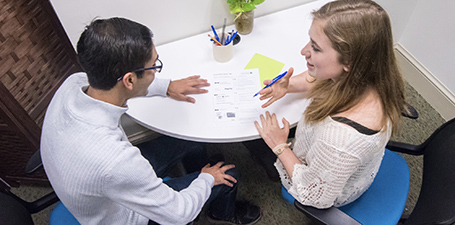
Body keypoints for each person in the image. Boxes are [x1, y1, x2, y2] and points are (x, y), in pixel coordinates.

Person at [41, 17, 261, 224]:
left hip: (97, 182)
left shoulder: (74, 83)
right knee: (229, 174)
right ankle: (220, 211)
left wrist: (166, 86)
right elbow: (178, 214)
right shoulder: (116, 161)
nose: (156, 70)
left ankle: (199, 173)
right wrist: (206, 180)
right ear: (129, 79)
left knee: (191, 135)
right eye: (154, 66)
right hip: (127, 216)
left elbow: (119, 86)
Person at [253, 0, 405, 209]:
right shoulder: (375, 73)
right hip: (348, 167)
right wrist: (288, 86)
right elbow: (322, 77)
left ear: (349, 62)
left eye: (315, 48)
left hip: (331, 186)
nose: (304, 51)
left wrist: (280, 146)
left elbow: (315, 196)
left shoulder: (339, 138)